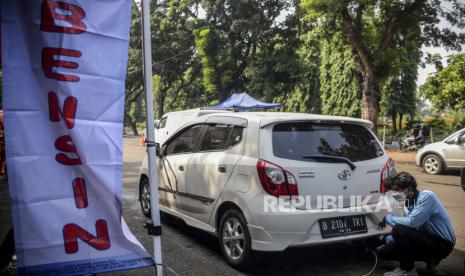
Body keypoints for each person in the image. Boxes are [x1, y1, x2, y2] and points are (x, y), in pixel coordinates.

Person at [378, 172, 456, 276]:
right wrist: (385, 239)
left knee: (398, 229)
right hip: (427, 240)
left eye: (397, 191)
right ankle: (430, 264)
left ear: (409, 189)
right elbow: (408, 232)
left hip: (442, 244)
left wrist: (388, 218)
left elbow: (411, 223)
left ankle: (407, 269)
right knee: (384, 252)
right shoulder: (405, 203)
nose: (394, 195)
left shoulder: (427, 196)